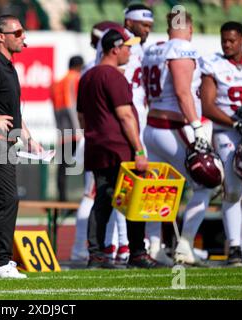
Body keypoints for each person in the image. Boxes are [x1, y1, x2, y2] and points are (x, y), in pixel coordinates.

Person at [77, 25, 158, 269]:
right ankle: (136, 252)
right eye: (127, 47)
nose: (130, 53)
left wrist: (95, 134)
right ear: (115, 49)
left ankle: (97, 253)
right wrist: (139, 149)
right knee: (133, 198)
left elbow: (81, 116)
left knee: (102, 199)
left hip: (97, 145)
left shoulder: (87, 76)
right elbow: (125, 116)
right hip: (119, 147)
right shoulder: (113, 76)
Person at [142, 12, 216, 266]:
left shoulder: (153, 49)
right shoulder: (182, 49)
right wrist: (196, 127)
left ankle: (153, 245)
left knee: (157, 188)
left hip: (152, 127)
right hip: (173, 127)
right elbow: (184, 92)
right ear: (190, 27)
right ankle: (185, 245)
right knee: (207, 183)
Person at [0, 14, 44, 278]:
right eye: (17, 33)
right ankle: (1, 261)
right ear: (0, 36)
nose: (23, 37)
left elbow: (12, 109)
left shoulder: (7, 66)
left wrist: (28, 137)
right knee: (6, 200)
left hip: (6, 143)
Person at [199, 21, 242, 266]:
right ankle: (234, 248)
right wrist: (235, 123)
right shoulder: (214, 65)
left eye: (232, 40)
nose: (227, 45)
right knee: (232, 188)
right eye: (224, 41)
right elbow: (207, 106)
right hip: (227, 131)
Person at [51, 55, 83, 202]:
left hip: (63, 133)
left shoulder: (57, 83)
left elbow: (56, 110)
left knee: (62, 168)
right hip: (76, 132)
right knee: (88, 167)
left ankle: (61, 200)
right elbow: (72, 105)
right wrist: (79, 130)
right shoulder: (75, 78)